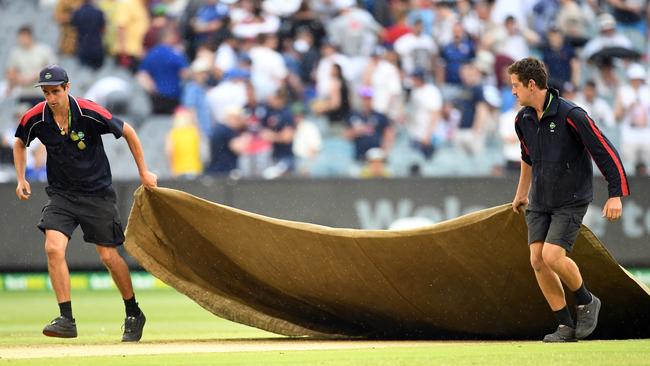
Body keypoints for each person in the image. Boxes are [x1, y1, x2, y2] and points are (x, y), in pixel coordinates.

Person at [12, 65, 157, 342]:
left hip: (97, 194)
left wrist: (144, 172)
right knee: (53, 248)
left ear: (67, 87)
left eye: (56, 91)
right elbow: (20, 142)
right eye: (46, 92)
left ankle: (133, 312)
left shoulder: (89, 111)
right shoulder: (36, 117)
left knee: (109, 257)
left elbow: (129, 132)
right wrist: (21, 178)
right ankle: (66, 319)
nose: (51, 98)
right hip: (62, 196)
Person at [508, 57, 629, 343]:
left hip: (570, 199)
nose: (513, 91)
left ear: (532, 84)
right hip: (539, 199)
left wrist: (616, 194)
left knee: (552, 255)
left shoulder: (572, 114)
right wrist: (521, 192)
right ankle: (564, 325)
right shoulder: (522, 119)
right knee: (537, 260)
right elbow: (527, 158)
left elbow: (605, 152)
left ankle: (587, 301)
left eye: (515, 85)